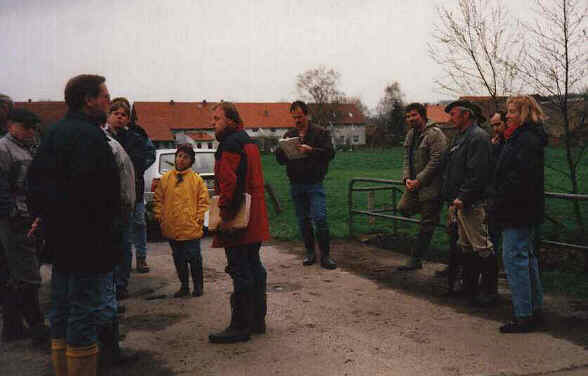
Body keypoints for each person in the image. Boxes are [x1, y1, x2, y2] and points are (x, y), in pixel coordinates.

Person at [27, 74, 121, 376]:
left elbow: (35, 184)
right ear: (88, 99)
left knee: (62, 309)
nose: (108, 100)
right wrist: (107, 231)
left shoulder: (54, 134)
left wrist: (47, 218)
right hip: (87, 240)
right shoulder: (89, 137)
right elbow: (98, 192)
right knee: (84, 310)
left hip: (61, 239)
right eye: (104, 96)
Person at [208, 102, 270, 344]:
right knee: (254, 266)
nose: (212, 123)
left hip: (239, 218)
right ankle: (257, 320)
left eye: (216, 119)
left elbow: (230, 184)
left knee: (240, 270)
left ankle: (240, 326)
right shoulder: (248, 141)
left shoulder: (230, 144)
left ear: (231, 121)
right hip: (254, 216)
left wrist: (224, 216)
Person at [493, 96, 547, 333]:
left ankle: (523, 314)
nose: (508, 115)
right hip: (525, 208)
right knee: (527, 259)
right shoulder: (527, 137)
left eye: (513, 111)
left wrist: (498, 199)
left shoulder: (524, 140)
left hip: (516, 209)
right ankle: (533, 309)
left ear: (524, 113)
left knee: (515, 260)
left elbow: (519, 178)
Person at [0, 108, 48, 343]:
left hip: (30, 216)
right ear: (12, 126)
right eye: (26, 127)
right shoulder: (4, 149)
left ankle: (12, 327)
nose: (31, 131)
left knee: (14, 274)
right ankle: (37, 327)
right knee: (28, 276)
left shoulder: (31, 146)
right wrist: (13, 215)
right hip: (16, 219)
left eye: (33, 127)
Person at [442, 100, 494, 305]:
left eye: (453, 114)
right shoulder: (461, 137)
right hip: (459, 202)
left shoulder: (478, 137)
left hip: (471, 202)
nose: (450, 117)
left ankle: (489, 291)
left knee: (481, 245)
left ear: (466, 115)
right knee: (465, 245)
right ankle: (470, 288)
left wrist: (463, 197)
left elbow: (478, 173)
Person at [275, 100, 337, 269]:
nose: (297, 120)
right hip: (296, 183)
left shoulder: (320, 133)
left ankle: (326, 256)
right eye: (294, 117)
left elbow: (330, 154)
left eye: (300, 117)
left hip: (314, 182)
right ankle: (310, 253)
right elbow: (280, 161)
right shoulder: (289, 135)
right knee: (303, 220)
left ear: (307, 115)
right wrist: (281, 150)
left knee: (320, 217)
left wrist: (311, 151)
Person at [105, 98, 154, 300]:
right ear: (108, 116)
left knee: (127, 239)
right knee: (110, 242)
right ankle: (109, 282)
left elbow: (141, 160)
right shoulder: (101, 137)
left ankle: (121, 284)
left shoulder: (135, 138)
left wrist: (133, 173)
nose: (119, 117)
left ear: (128, 119)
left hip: (130, 194)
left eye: (123, 114)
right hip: (108, 199)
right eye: (115, 113)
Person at [152, 144, 209, 298]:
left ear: (191, 161)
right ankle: (184, 285)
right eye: (179, 156)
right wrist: (160, 216)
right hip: (172, 227)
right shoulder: (166, 179)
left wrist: (199, 219)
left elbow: (203, 202)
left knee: (194, 258)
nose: (181, 160)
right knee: (178, 259)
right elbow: (158, 200)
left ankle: (198, 286)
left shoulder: (196, 180)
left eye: (186, 157)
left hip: (191, 228)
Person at [397, 103, 447, 271]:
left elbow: (436, 161)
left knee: (426, 224)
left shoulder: (435, 134)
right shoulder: (411, 134)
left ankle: (415, 259)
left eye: (414, 115)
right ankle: (430, 213)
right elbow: (406, 157)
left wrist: (419, 180)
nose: (410, 119)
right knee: (403, 208)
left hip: (432, 186)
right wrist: (406, 178)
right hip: (414, 185)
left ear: (423, 115)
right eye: (408, 116)